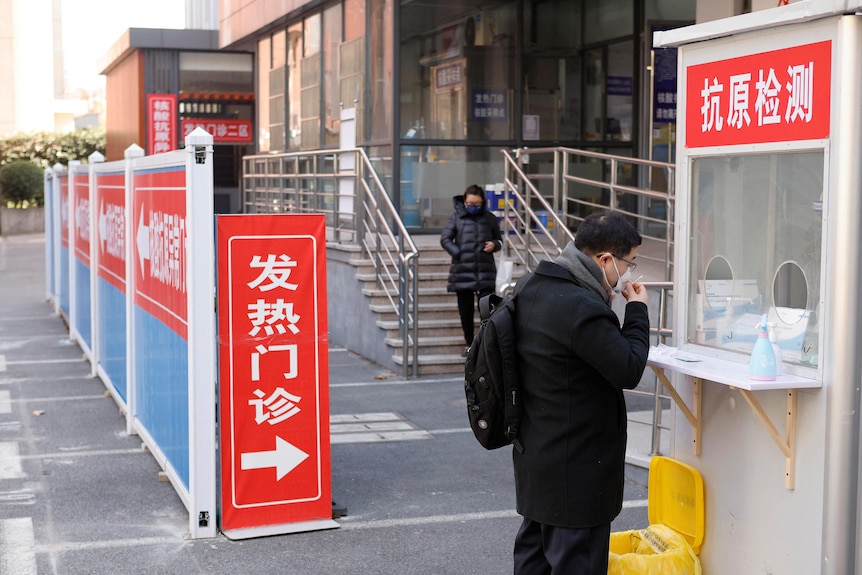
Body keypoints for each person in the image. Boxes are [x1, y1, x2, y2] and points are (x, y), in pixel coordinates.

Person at [511, 210, 650, 574]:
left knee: (534, 561)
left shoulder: (531, 285)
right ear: (605, 259)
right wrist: (636, 310)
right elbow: (628, 368)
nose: (629, 273)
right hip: (577, 469)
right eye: (628, 264)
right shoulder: (581, 307)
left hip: (537, 457)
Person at [440, 184, 503, 357]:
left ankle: (486, 344)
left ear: (482, 202)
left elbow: (499, 239)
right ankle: (469, 344)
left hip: (485, 269)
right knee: (465, 311)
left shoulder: (490, 218)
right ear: (465, 201)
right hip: (462, 270)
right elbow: (445, 239)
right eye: (470, 203)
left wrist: (495, 245)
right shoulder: (456, 218)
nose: (473, 206)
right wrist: (458, 252)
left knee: (487, 310)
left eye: (477, 203)